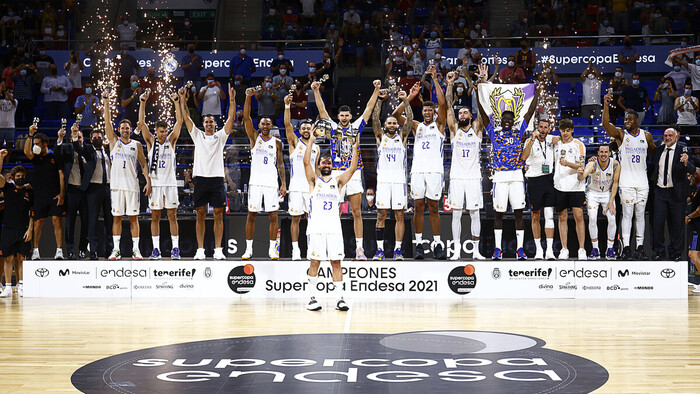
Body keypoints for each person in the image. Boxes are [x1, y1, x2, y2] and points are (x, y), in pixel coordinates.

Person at [312, 79, 381, 260]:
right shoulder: (333, 128)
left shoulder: (356, 127)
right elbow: (322, 111)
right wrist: (317, 91)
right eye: (341, 116)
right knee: (334, 212)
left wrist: (376, 90)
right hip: (335, 173)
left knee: (356, 212)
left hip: (354, 172)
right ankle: (331, 248)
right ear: (339, 117)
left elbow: (368, 108)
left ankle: (359, 249)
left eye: (346, 116)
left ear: (350, 117)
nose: (343, 118)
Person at [477, 80, 541, 260]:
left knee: (519, 212)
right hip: (499, 177)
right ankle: (498, 249)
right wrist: (476, 95)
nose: (506, 121)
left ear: (513, 121)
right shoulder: (493, 132)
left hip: (516, 177)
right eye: (504, 118)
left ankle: (520, 249)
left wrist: (537, 93)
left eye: (509, 119)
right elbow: (482, 115)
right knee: (499, 213)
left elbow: (529, 112)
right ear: (500, 120)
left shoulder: (518, 132)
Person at [393, 64, 447, 260]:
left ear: (432, 113)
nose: (426, 113)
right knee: (418, 207)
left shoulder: (439, 126)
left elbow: (443, 104)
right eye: (424, 111)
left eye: (429, 111)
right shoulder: (416, 126)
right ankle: (418, 245)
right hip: (418, 171)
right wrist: (410, 97)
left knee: (434, 207)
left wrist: (433, 79)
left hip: (434, 171)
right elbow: (396, 116)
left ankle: (438, 244)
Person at [303, 127, 358, 312]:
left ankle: (340, 299)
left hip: (334, 229)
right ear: (318, 165)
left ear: (332, 166)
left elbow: (352, 168)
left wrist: (355, 145)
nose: (326, 164)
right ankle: (311, 298)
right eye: (323, 162)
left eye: (329, 162)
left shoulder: (338, 182)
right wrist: (311, 139)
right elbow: (305, 163)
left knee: (336, 262)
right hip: (316, 229)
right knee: (315, 262)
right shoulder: (313, 181)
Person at [181, 84, 237, 260]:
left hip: (217, 180)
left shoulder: (221, 136)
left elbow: (231, 119)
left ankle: (218, 250)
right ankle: (200, 250)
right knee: (200, 215)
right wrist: (183, 99)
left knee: (219, 215)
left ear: (215, 124)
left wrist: (232, 99)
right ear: (203, 124)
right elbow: (186, 117)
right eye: (206, 121)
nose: (209, 124)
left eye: (211, 121)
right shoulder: (197, 135)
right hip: (201, 180)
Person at [603, 92, 655, 260]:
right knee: (627, 215)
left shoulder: (646, 136)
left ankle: (640, 248)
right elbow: (605, 125)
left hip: (642, 183)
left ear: (636, 120)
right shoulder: (621, 135)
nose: (626, 122)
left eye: (629, 120)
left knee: (640, 216)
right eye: (625, 120)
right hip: (626, 183)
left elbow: (656, 154)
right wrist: (605, 105)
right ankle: (626, 247)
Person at [103, 92, 152, 260]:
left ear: (131, 130)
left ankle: (135, 250)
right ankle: (116, 250)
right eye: (122, 128)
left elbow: (144, 164)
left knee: (133, 218)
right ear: (119, 130)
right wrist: (106, 103)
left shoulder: (136, 144)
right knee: (116, 218)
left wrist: (148, 181)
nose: (125, 130)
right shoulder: (113, 141)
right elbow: (107, 122)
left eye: (127, 128)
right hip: (116, 186)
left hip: (132, 186)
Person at [240, 87, 287, 260]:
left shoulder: (277, 143)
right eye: (263, 123)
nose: (265, 126)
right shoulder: (254, 138)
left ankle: (272, 249)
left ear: (271, 126)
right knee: (251, 215)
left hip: (271, 183)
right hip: (255, 183)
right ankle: (248, 249)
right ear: (259, 125)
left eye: (268, 124)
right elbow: (246, 117)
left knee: (273, 216)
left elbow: (280, 164)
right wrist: (247, 97)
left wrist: (283, 183)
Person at [137, 90, 183, 260]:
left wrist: (176, 101)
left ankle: (175, 249)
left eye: (165, 131)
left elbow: (179, 121)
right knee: (155, 216)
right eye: (161, 131)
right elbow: (141, 123)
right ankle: (156, 249)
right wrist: (143, 101)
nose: (164, 134)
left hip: (170, 183)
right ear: (156, 131)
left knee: (172, 216)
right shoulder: (150, 141)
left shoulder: (171, 141)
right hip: (156, 184)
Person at [445, 72, 485, 260]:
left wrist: (483, 84)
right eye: (460, 112)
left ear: (470, 115)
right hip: (457, 177)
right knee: (456, 215)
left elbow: (484, 110)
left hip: (473, 177)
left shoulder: (477, 129)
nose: (461, 114)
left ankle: (476, 251)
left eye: (465, 112)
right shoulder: (454, 130)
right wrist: (450, 84)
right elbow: (447, 108)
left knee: (475, 213)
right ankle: (456, 250)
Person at [371, 87, 414, 261]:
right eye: (389, 123)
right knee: (380, 215)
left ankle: (398, 251)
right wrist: (380, 101)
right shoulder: (380, 136)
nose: (391, 125)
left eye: (394, 123)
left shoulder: (402, 136)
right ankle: (379, 251)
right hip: (383, 182)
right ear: (385, 126)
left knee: (399, 215)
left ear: (397, 125)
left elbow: (410, 119)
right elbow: (374, 119)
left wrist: (405, 100)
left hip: (398, 182)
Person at [650, 128, 695, 260]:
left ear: (677, 136)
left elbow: (692, 169)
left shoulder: (684, 150)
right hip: (660, 191)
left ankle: (676, 252)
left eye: (670, 135)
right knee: (657, 223)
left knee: (677, 225)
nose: (668, 137)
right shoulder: (659, 149)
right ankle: (658, 251)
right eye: (665, 135)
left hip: (677, 193)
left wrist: (687, 162)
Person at [283, 97, 319, 260]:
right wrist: (287, 106)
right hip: (296, 187)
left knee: (311, 220)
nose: (305, 130)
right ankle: (295, 250)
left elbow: (317, 168)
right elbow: (287, 125)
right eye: (303, 128)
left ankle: (312, 248)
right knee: (295, 219)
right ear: (300, 129)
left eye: (308, 128)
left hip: (311, 188)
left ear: (312, 130)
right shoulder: (294, 143)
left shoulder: (316, 147)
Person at [24, 125, 65, 260]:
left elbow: (61, 175)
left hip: (54, 195)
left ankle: (59, 251)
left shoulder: (55, 156)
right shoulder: (35, 157)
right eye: (34, 144)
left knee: (56, 221)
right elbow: (26, 152)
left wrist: (62, 194)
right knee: (38, 222)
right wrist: (30, 135)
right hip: (39, 195)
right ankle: (35, 251)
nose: (34, 146)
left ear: (44, 144)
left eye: (37, 144)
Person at [521, 118, 559, 260]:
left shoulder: (551, 139)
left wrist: (559, 137)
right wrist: (531, 140)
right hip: (534, 180)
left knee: (549, 215)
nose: (543, 130)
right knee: (535, 215)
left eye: (545, 127)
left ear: (549, 129)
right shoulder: (529, 141)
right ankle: (538, 250)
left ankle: (549, 251)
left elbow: (564, 137)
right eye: (541, 127)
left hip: (549, 179)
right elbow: (523, 157)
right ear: (537, 128)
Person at [552, 118, 587, 260]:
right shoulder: (556, 143)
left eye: (568, 130)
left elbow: (581, 166)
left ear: (572, 130)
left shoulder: (579, 144)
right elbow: (539, 134)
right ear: (559, 130)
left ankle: (581, 249)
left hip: (576, 186)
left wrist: (567, 163)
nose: (565, 133)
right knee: (562, 217)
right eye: (563, 130)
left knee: (579, 217)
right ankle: (564, 248)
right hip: (559, 185)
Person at [579, 144, 620, 260]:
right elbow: (582, 177)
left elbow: (615, 183)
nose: (603, 154)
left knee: (612, 218)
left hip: (607, 193)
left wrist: (611, 201)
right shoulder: (592, 164)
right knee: (592, 218)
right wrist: (580, 173)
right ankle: (595, 249)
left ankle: (610, 249)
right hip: (592, 192)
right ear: (598, 153)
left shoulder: (615, 164)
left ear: (610, 153)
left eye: (606, 152)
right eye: (601, 152)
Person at [0, 152, 32, 298]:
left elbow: (34, 212)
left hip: (23, 229)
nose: (20, 178)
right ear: (13, 177)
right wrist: (1, 158)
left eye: (22, 176)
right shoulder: (7, 188)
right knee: (8, 258)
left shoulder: (29, 191)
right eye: (17, 176)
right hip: (8, 229)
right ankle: (7, 287)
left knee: (21, 258)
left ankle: (21, 286)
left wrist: (30, 229)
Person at [57, 123, 88, 260]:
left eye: (81, 137)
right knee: (70, 223)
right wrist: (59, 139)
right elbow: (57, 154)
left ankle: (82, 249)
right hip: (72, 191)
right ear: (72, 139)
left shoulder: (88, 151)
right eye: (76, 137)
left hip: (86, 191)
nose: (79, 139)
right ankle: (70, 250)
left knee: (86, 222)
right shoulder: (66, 150)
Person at [82, 129, 114, 260]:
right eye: (94, 137)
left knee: (110, 220)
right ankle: (93, 251)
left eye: (99, 137)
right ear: (91, 140)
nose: (97, 139)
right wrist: (74, 136)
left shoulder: (108, 151)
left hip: (108, 187)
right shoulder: (89, 151)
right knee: (93, 220)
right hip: (93, 189)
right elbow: (79, 147)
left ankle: (110, 250)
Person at [0, 83, 17, 149]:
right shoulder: (1, 101)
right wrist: (1, 90)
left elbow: (12, 100)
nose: (10, 94)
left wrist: (5, 91)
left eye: (11, 93)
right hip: (0, 127)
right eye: (9, 92)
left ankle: (8, 160)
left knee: (9, 149)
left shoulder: (15, 101)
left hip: (10, 127)